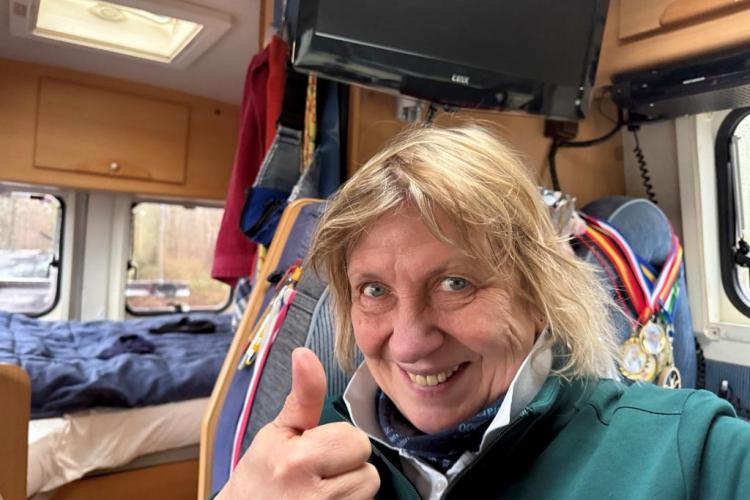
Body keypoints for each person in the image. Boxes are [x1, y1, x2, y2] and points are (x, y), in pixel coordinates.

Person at [217, 124, 750, 499]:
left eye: (455, 284)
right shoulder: (300, 464)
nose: (409, 343)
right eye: (374, 290)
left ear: (538, 294)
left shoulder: (689, 450)